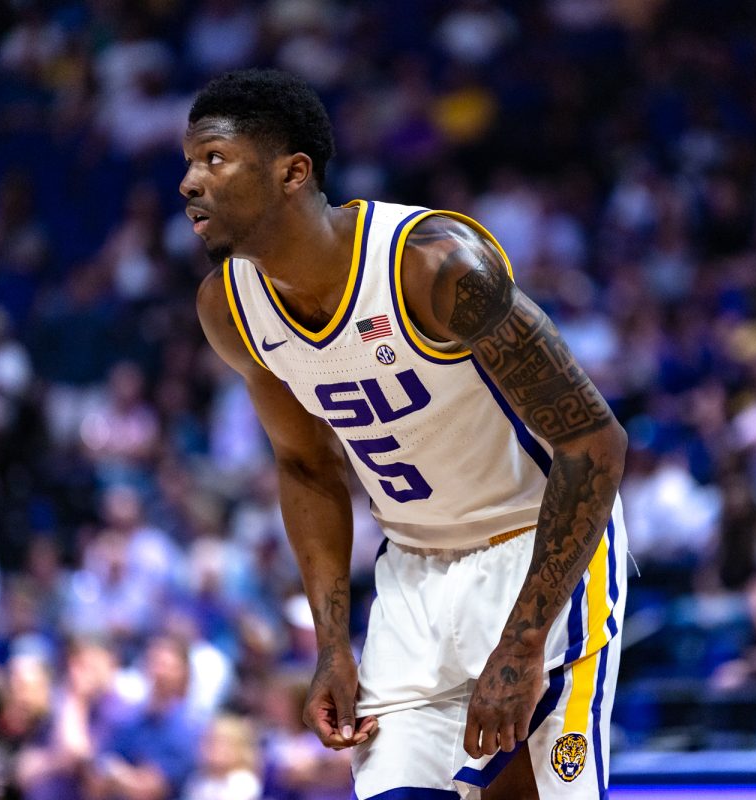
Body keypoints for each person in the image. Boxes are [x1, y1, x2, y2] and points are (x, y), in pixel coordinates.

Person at [188, 69, 628, 799]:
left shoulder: (434, 265)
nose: (189, 183)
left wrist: (521, 643)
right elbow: (305, 467)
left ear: (293, 172)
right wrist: (333, 644)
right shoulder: (229, 308)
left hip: (536, 550)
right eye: (188, 163)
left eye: (214, 160)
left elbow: (594, 443)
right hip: (412, 575)